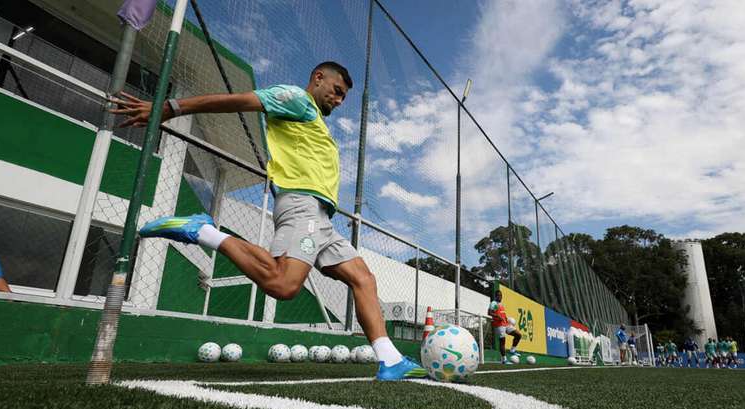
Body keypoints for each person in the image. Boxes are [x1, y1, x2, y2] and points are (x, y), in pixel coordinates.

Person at [111, 62, 425, 381]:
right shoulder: (295, 98)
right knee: (283, 285)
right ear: (318, 78)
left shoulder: (311, 117)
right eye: (337, 91)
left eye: (343, 97)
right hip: (301, 206)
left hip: (320, 217)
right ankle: (202, 231)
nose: (339, 100)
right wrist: (171, 107)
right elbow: (237, 101)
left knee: (363, 279)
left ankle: (390, 360)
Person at [488, 290, 522, 365]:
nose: (500, 297)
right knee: (502, 341)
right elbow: (489, 312)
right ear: (495, 296)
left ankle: (512, 350)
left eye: (501, 295)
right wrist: (497, 316)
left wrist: (506, 319)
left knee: (518, 335)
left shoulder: (501, 304)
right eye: (498, 295)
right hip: (499, 325)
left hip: (505, 324)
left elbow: (502, 314)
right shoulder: (494, 303)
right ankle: (504, 360)